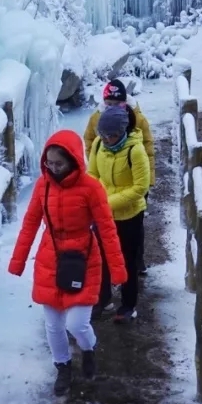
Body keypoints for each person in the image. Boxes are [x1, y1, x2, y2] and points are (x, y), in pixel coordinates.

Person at [8, 130, 127, 396]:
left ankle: (89, 348)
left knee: (77, 323)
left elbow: (107, 230)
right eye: (48, 162)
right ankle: (62, 366)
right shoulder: (43, 185)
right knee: (52, 324)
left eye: (58, 163)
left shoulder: (91, 188)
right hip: (50, 258)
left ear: (73, 160)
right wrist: (18, 261)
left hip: (83, 260)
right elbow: (30, 224)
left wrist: (117, 269)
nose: (52, 168)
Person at [83, 79, 156, 278]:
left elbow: (147, 146)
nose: (113, 107)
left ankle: (136, 259)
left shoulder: (137, 118)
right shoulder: (96, 118)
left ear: (125, 102)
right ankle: (111, 266)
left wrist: (148, 179)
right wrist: (96, 158)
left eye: (118, 103)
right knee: (107, 226)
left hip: (134, 175)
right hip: (107, 175)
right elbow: (89, 138)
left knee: (135, 224)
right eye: (109, 103)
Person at [87, 105, 150, 323]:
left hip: (130, 215)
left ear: (122, 132)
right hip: (104, 215)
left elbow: (141, 186)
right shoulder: (97, 145)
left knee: (127, 261)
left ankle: (128, 305)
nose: (105, 139)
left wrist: (107, 202)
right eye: (102, 135)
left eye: (110, 135)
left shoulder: (135, 150)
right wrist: (98, 199)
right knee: (100, 258)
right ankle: (103, 300)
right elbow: (92, 174)